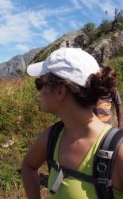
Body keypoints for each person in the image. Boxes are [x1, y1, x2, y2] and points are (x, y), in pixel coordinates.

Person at [21, 48, 123, 198]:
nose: (39, 91)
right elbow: (28, 166)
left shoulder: (118, 152)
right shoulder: (51, 137)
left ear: (60, 92)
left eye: (40, 84)